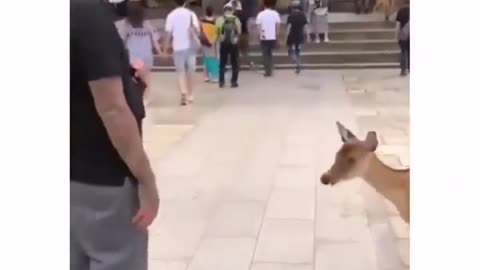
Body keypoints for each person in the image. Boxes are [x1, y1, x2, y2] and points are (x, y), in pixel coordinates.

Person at [70, 1, 159, 270]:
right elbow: (111, 109)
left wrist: (132, 87)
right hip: (102, 179)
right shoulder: (87, 13)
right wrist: (146, 179)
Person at [117, 0, 162, 103]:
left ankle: (135, 97)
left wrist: (120, 54)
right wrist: (160, 52)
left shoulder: (125, 24)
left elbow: (122, 41)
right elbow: (155, 40)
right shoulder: (147, 25)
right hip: (146, 55)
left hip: (132, 56)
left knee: (132, 77)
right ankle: (145, 98)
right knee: (146, 77)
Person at [163, 0, 200, 106]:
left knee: (180, 72)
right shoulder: (191, 14)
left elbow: (168, 34)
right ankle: (190, 95)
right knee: (191, 72)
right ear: (185, 2)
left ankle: (183, 92)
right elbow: (198, 31)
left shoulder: (171, 15)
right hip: (190, 47)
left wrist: (165, 50)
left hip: (177, 47)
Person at [216, 2, 242, 88]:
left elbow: (217, 32)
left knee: (222, 63)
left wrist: (219, 39)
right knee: (234, 63)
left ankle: (221, 82)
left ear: (224, 10)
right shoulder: (236, 19)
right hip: (233, 43)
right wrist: (236, 39)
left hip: (223, 43)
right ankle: (234, 82)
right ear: (232, 10)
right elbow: (239, 32)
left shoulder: (219, 19)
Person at [256, 0, 281, 77]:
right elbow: (278, 24)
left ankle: (267, 70)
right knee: (270, 53)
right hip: (272, 36)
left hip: (264, 36)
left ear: (264, 5)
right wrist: (277, 33)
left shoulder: (260, 14)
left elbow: (258, 26)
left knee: (265, 54)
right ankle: (270, 68)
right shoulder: (275, 13)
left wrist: (259, 35)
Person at [285, 0, 308, 74]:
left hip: (292, 36)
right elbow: (305, 27)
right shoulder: (303, 15)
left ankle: (296, 61)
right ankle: (298, 64)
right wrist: (307, 35)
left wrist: (286, 36)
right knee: (298, 51)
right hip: (300, 36)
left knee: (290, 51)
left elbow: (289, 27)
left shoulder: (290, 16)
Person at [231, 0, 255, 69]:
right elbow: (248, 24)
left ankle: (238, 65)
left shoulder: (234, 14)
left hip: (237, 35)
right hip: (245, 34)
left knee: (236, 51)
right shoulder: (244, 13)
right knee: (245, 51)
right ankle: (250, 63)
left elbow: (234, 25)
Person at [200, 5, 220, 82]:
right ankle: (215, 77)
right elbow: (218, 33)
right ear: (213, 13)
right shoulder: (216, 21)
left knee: (206, 59)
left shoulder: (202, 21)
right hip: (213, 42)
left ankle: (206, 76)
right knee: (213, 59)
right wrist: (213, 40)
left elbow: (199, 32)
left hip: (204, 42)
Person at [396, 1, 409, 76]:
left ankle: (403, 70)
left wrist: (397, 36)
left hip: (403, 34)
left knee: (403, 51)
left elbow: (397, 25)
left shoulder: (400, 11)